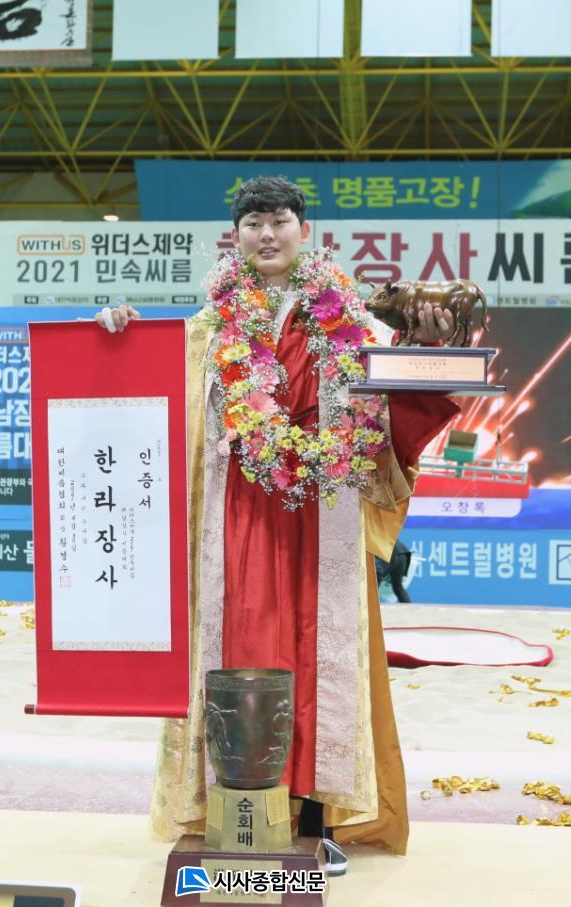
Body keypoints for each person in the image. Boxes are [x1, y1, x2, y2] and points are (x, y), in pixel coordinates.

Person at [96, 176, 458, 863]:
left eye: (280, 220)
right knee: (244, 648)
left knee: (319, 657)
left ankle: (316, 822)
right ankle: (235, 814)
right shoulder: (211, 327)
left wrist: (434, 356)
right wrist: (119, 331)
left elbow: (400, 404)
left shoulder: (354, 323)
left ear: (304, 230)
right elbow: (145, 383)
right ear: (235, 236)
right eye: (253, 223)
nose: (267, 234)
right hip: (235, 516)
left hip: (325, 512)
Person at [376, 538, 413, 603]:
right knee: (398, 586)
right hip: (404, 555)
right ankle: (409, 607)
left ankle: (370, 604)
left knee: (375, 579)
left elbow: (378, 570)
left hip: (393, 554)